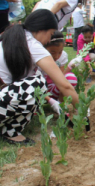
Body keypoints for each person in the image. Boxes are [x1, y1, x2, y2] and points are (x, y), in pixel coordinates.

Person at [0, 9, 79, 145]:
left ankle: (10, 131)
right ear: (42, 29)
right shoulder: (32, 44)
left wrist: (52, 102)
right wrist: (82, 109)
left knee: (36, 87)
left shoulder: (18, 38)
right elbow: (63, 84)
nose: (49, 39)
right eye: (50, 34)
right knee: (38, 84)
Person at [43, 31, 80, 101]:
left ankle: (61, 103)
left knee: (70, 77)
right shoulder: (40, 57)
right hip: (42, 91)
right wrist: (50, 101)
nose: (57, 56)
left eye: (60, 52)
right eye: (52, 52)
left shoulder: (63, 56)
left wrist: (69, 67)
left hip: (54, 89)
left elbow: (61, 77)